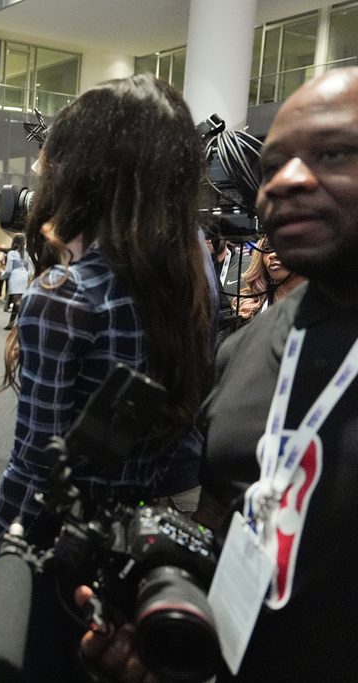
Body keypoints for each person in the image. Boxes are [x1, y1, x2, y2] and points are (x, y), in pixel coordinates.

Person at [79, 65, 358, 683]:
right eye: (271, 165)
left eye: (333, 152)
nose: (285, 181)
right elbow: (222, 520)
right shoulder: (244, 352)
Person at [0, 74, 213, 680]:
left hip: (59, 558)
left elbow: (33, 466)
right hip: (140, 555)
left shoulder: (67, 294)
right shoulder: (186, 277)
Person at [234, 236, 304, 321]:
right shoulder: (248, 310)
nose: (272, 254)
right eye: (267, 249)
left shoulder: (318, 302)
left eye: (284, 246)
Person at [1, 233, 33, 330]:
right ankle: (17, 322)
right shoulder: (26, 253)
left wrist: (3, 275)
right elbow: (31, 269)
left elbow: (9, 269)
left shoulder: (12, 253)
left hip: (15, 277)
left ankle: (15, 323)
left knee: (17, 301)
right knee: (21, 300)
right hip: (24, 277)